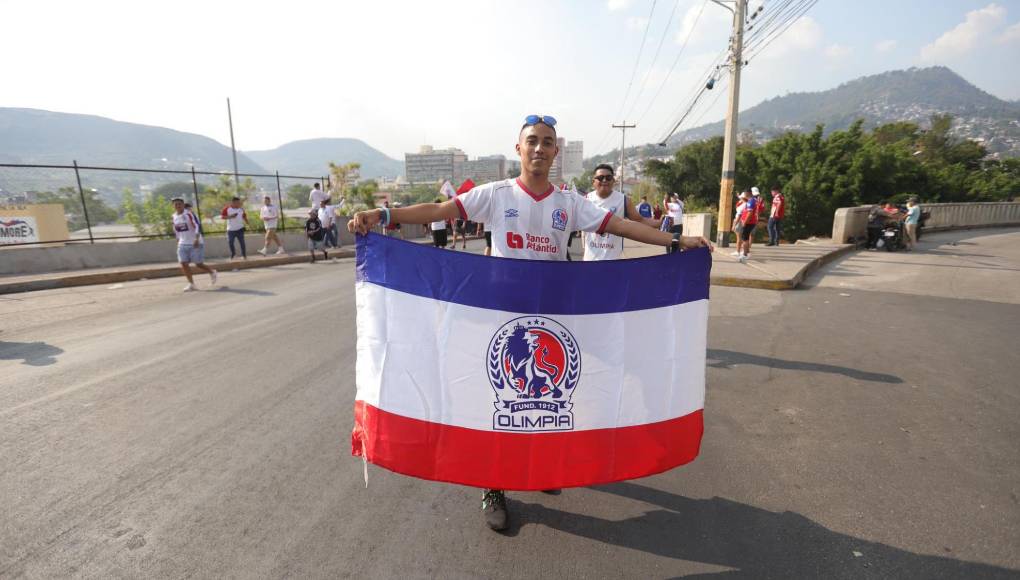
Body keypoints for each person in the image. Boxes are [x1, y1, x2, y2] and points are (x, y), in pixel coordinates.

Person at [347, 114, 712, 532]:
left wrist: (675, 241)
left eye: (547, 142)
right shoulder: (496, 195)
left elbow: (622, 225)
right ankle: (493, 486)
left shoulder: (570, 203)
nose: (539, 148)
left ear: (556, 152)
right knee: (495, 403)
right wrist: (385, 213)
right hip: (500, 316)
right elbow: (439, 209)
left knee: (551, 402)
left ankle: (541, 471)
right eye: (532, 141)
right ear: (518, 149)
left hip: (554, 315)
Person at [583, 164, 662, 261]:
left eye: (608, 177)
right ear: (593, 182)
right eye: (600, 178)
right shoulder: (586, 200)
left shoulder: (623, 200)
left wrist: (661, 222)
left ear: (613, 180)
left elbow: (640, 221)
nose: (604, 180)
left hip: (614, 261)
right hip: (590, 261)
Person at [171, 197, 217, 292]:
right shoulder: (174, 216)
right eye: (176, 204)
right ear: (173, 206)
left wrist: (196, 238)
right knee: (183, 263)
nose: (178, 206)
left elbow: (197, 225)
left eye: (179, 204)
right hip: (182, 243)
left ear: (183, 205)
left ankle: (212, 272)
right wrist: (178, 241)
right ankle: (191, 284)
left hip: (195, 242)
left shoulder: (189, 214)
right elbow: (176, 230)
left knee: (198, 264)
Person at [736, 190, 758, 263]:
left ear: (747, 194)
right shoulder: (751, 200)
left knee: (745, 239)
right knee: (745, 238)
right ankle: (746, 252)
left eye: (745, 194)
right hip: (750, 222)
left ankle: (745, 254)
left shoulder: (751, 201)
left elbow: (750, 213)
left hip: (749, 223)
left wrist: (745, 222)